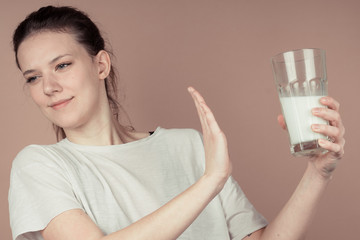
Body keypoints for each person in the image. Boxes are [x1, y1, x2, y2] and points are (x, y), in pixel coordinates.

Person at [8, 5, 345, 240]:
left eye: (62, 65)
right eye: (33, 78)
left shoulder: (188, 146)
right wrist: (210, 181)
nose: (49, 87)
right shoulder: (40, 166)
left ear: (100, 66)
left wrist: (318, 172)